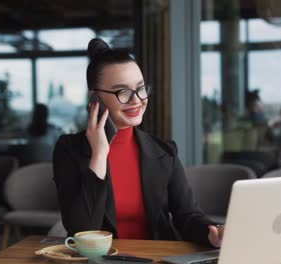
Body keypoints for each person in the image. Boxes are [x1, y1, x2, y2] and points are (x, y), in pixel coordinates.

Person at [53, 38, 223, 248]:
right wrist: (98, 155)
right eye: (123, 92)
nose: (136, 100)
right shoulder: (69, 150)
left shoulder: (164, 151)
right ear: (95, 98)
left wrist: (212, 233)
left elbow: (187, 215)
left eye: (140, 88)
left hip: (157, 258)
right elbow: (81, 231)